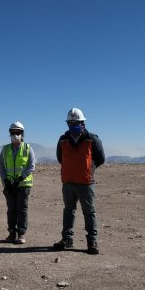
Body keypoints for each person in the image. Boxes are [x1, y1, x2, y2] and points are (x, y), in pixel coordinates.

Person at [53, 108, 105, 255]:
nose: (74, 125)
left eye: (76, 123)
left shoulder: (92, 139)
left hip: (86, 183)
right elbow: (60, 158)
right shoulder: (63, 139)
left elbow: (100, 158)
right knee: (69, 211)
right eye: (71, 123)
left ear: (83, 123)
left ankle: (92, 241)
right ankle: (67, 239)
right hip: (68, 182)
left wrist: (89, 169)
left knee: (89, 212)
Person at [0, 121, 36, 244]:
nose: (15, 135)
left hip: (23, 186)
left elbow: (31, 166)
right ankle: (11, 233)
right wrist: (6, 182)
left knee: (22, 210)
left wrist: (20, 179)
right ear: (10, 134)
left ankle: (21, 234)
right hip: (9, 186)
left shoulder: (28, 148)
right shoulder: (4, 149)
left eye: (18, 132)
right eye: (13, 132)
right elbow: (1, 167)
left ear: (22, 133)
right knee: (11, 210)